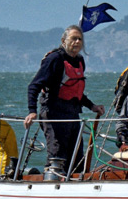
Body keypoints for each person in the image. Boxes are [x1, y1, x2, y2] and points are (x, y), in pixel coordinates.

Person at [24, 25, 106, 178]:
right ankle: (51, 184)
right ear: (63, 40)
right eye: (73, 38)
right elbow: (34, 86)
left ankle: (74, 188)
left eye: (80, 39)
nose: (77, 42)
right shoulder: (54, 59)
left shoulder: (80, 61)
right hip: (54, 113)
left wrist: (92, 106)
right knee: (57, 157)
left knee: (76, 159)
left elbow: (75, 92)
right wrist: (32, 111)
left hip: (73, 114)